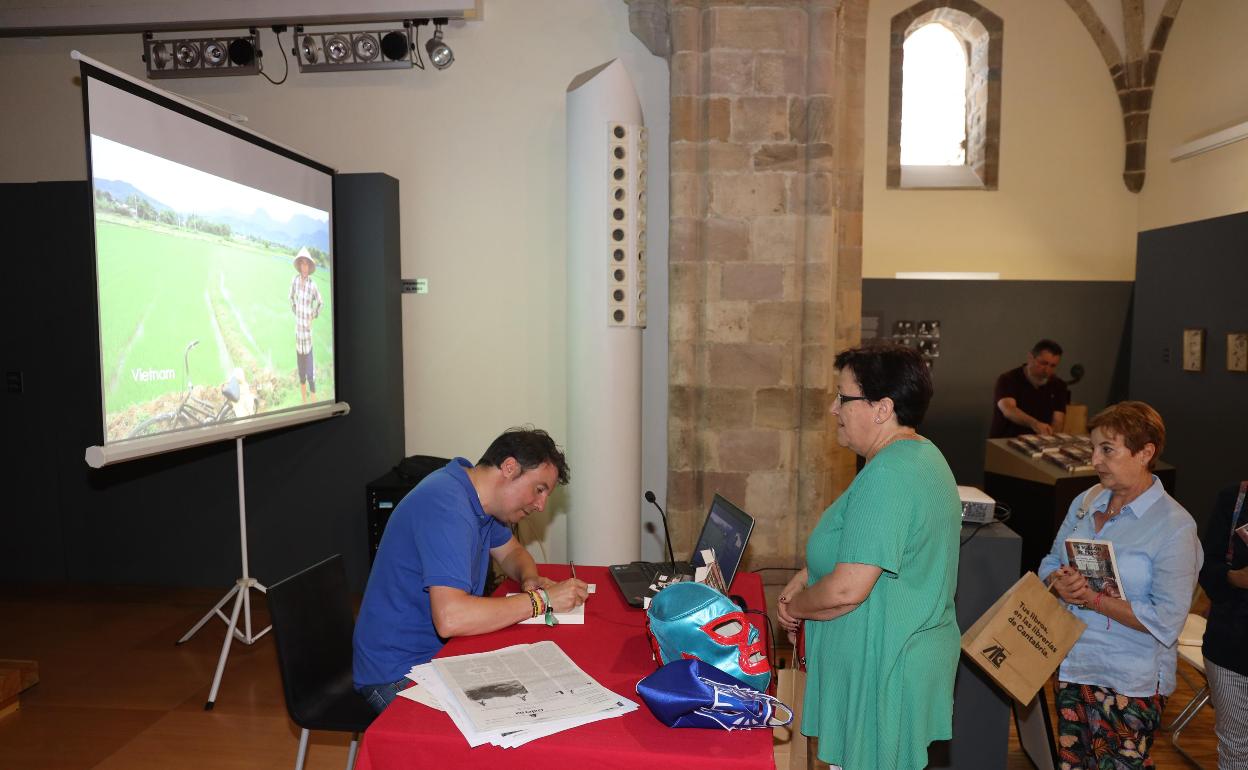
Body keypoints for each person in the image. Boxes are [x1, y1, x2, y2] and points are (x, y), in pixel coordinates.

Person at [776, 344, 961, 770]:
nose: (832, 408)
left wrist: (793, 607)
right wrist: (807, 574)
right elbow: (869, 543)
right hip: (891, 660)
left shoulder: (890, 474)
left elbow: (846, 590)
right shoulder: (915, 456)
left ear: (881, 408)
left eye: (843, 397)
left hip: (885, 668)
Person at [352, 427, 589, 713]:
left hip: (438, 657)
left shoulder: (479, 500)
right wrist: (542, 602)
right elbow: (451, 618)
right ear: (509, 468)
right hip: (397, 674)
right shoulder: (446, 505)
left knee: (543, 691)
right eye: (539, 490)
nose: (540, 505)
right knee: (516, 716)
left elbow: (513, 553)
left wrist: (530, 580)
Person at [1039, 401, 1201, 769]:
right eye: (1093, 448)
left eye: (1107, 449)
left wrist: (1092, 599)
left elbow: (1166, 619)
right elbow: (1050, 561)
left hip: (1130, 681)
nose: (1095, 460)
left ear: (1146, 452)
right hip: (1073, 665)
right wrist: (1058, 583)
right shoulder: (1086, 500)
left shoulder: (1175, 526)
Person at [1198, 482, 1248, 769]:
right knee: (1235, 750)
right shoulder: (1235, 499)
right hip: (1230, 650)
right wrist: (1235, 578)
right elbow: (1208, 567)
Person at [990, 339, 1069, 438]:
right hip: (1005, 441)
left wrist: (1052, 439)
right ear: (1030, 358)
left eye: (1052, 366)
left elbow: (1058, 420)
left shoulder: (1058, 385)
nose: (1047, 370)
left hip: (1039, 444)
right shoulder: (1008, 379)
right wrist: (1034, 424)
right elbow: (1008, 410)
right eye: (1043, 363)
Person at [289, 247, 323, 404]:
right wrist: (297, 313)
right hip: (298, 336)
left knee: (310, 374)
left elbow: (321, 303)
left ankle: (314, 405)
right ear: (299, 266)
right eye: (302, 264)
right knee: (301, 373)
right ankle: (304, 403)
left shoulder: (313, 285)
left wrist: (312, 316)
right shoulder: (295, 281)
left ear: (309, 267)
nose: (304, 267)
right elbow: (290, 298)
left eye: (306, 264)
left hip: (307, 337)